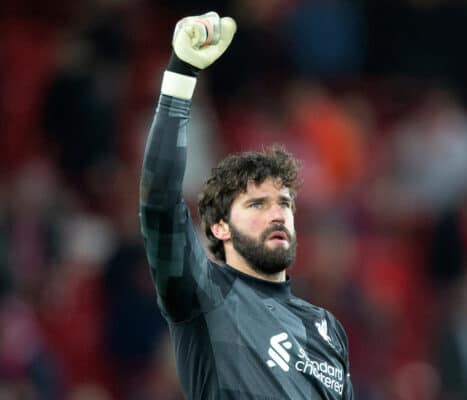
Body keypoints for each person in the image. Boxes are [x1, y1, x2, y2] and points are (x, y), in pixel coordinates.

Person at [139, 11, 355, 399]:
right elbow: (159, 203)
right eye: (256, 204)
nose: (277, 213)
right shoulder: (202, 294)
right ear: (220, 227)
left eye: (284, 203)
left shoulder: (326, 328)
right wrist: (181, 74)